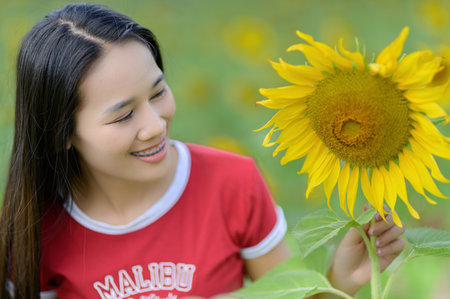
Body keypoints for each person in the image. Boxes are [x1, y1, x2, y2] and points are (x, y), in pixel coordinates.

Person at [0, 3, 405, 298]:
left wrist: (340, 281)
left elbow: (286, 294)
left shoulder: (232, 183)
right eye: (123, 115)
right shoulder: (36, 228)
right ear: (62, 133)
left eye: (158, 93)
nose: (155, 125)